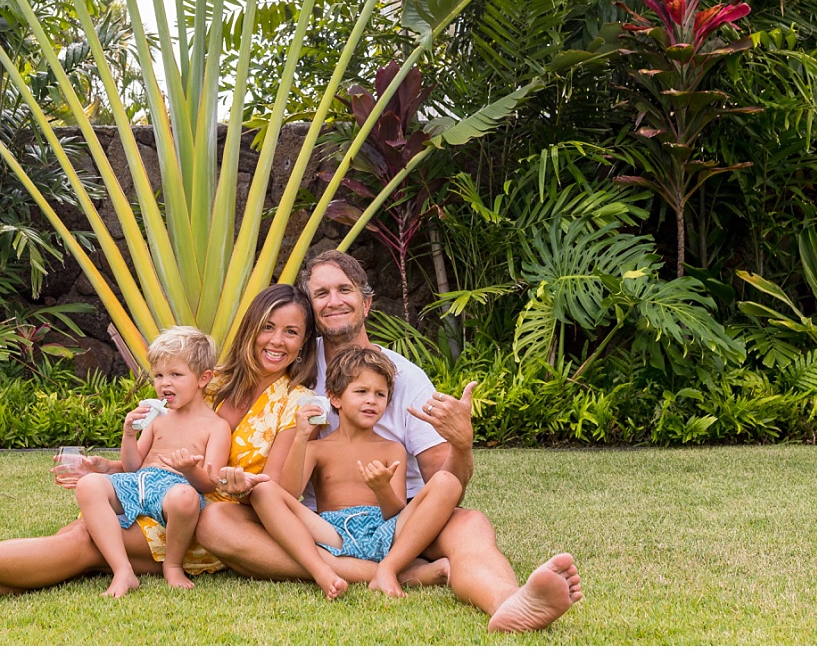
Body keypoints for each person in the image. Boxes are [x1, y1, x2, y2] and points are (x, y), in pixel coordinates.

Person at [196, 249, 584, 633]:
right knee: (216, 523)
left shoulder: (406, 378)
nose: (333, 302)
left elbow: (445, 483)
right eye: (321, 294)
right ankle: (397, 573)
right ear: (310, 309)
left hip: (400, 520)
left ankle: (507, 601)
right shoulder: (294, 361)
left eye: (344, 290)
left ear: (366, 303)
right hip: (316, 525)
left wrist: (462, 445)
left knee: (470, 525)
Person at [0, 284, 321, 610]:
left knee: (82, 540)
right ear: (251, 328)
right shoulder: (214, 378)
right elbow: (162, 449)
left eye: (291, 332)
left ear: (304, 342)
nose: (277, 341)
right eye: (268, 327)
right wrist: (110, 465)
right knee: (80, 543)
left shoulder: (295, 402)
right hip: (157, 494)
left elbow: (281, 490)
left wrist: (235, 480)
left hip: (207, 520)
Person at [251, 344, 463, 599]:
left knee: (447, 482)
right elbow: (288, 494)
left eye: (380, 394)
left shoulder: (392, 449)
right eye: (361, 391)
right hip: (332, 534)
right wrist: (300, 438)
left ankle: (390, 568)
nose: (371, 400)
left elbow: (395, 513)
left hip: (386, 532)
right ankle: (322, 571)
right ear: (335, 398)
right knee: (263, 491)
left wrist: (381, 489)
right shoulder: (317, 449)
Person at [76, 326, 227, 596]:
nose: (164, 383)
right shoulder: (158, 417)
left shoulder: (216, 427)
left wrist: (190, 469)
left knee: (185, 497)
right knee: (89, 484)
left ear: (203, 378)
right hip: (139, 482)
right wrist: (129, 434)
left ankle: (173, 565)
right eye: (158, 375)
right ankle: (122, 569)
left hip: (174, 489)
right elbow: (133, 466)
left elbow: (209, 484)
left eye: (176, 375)